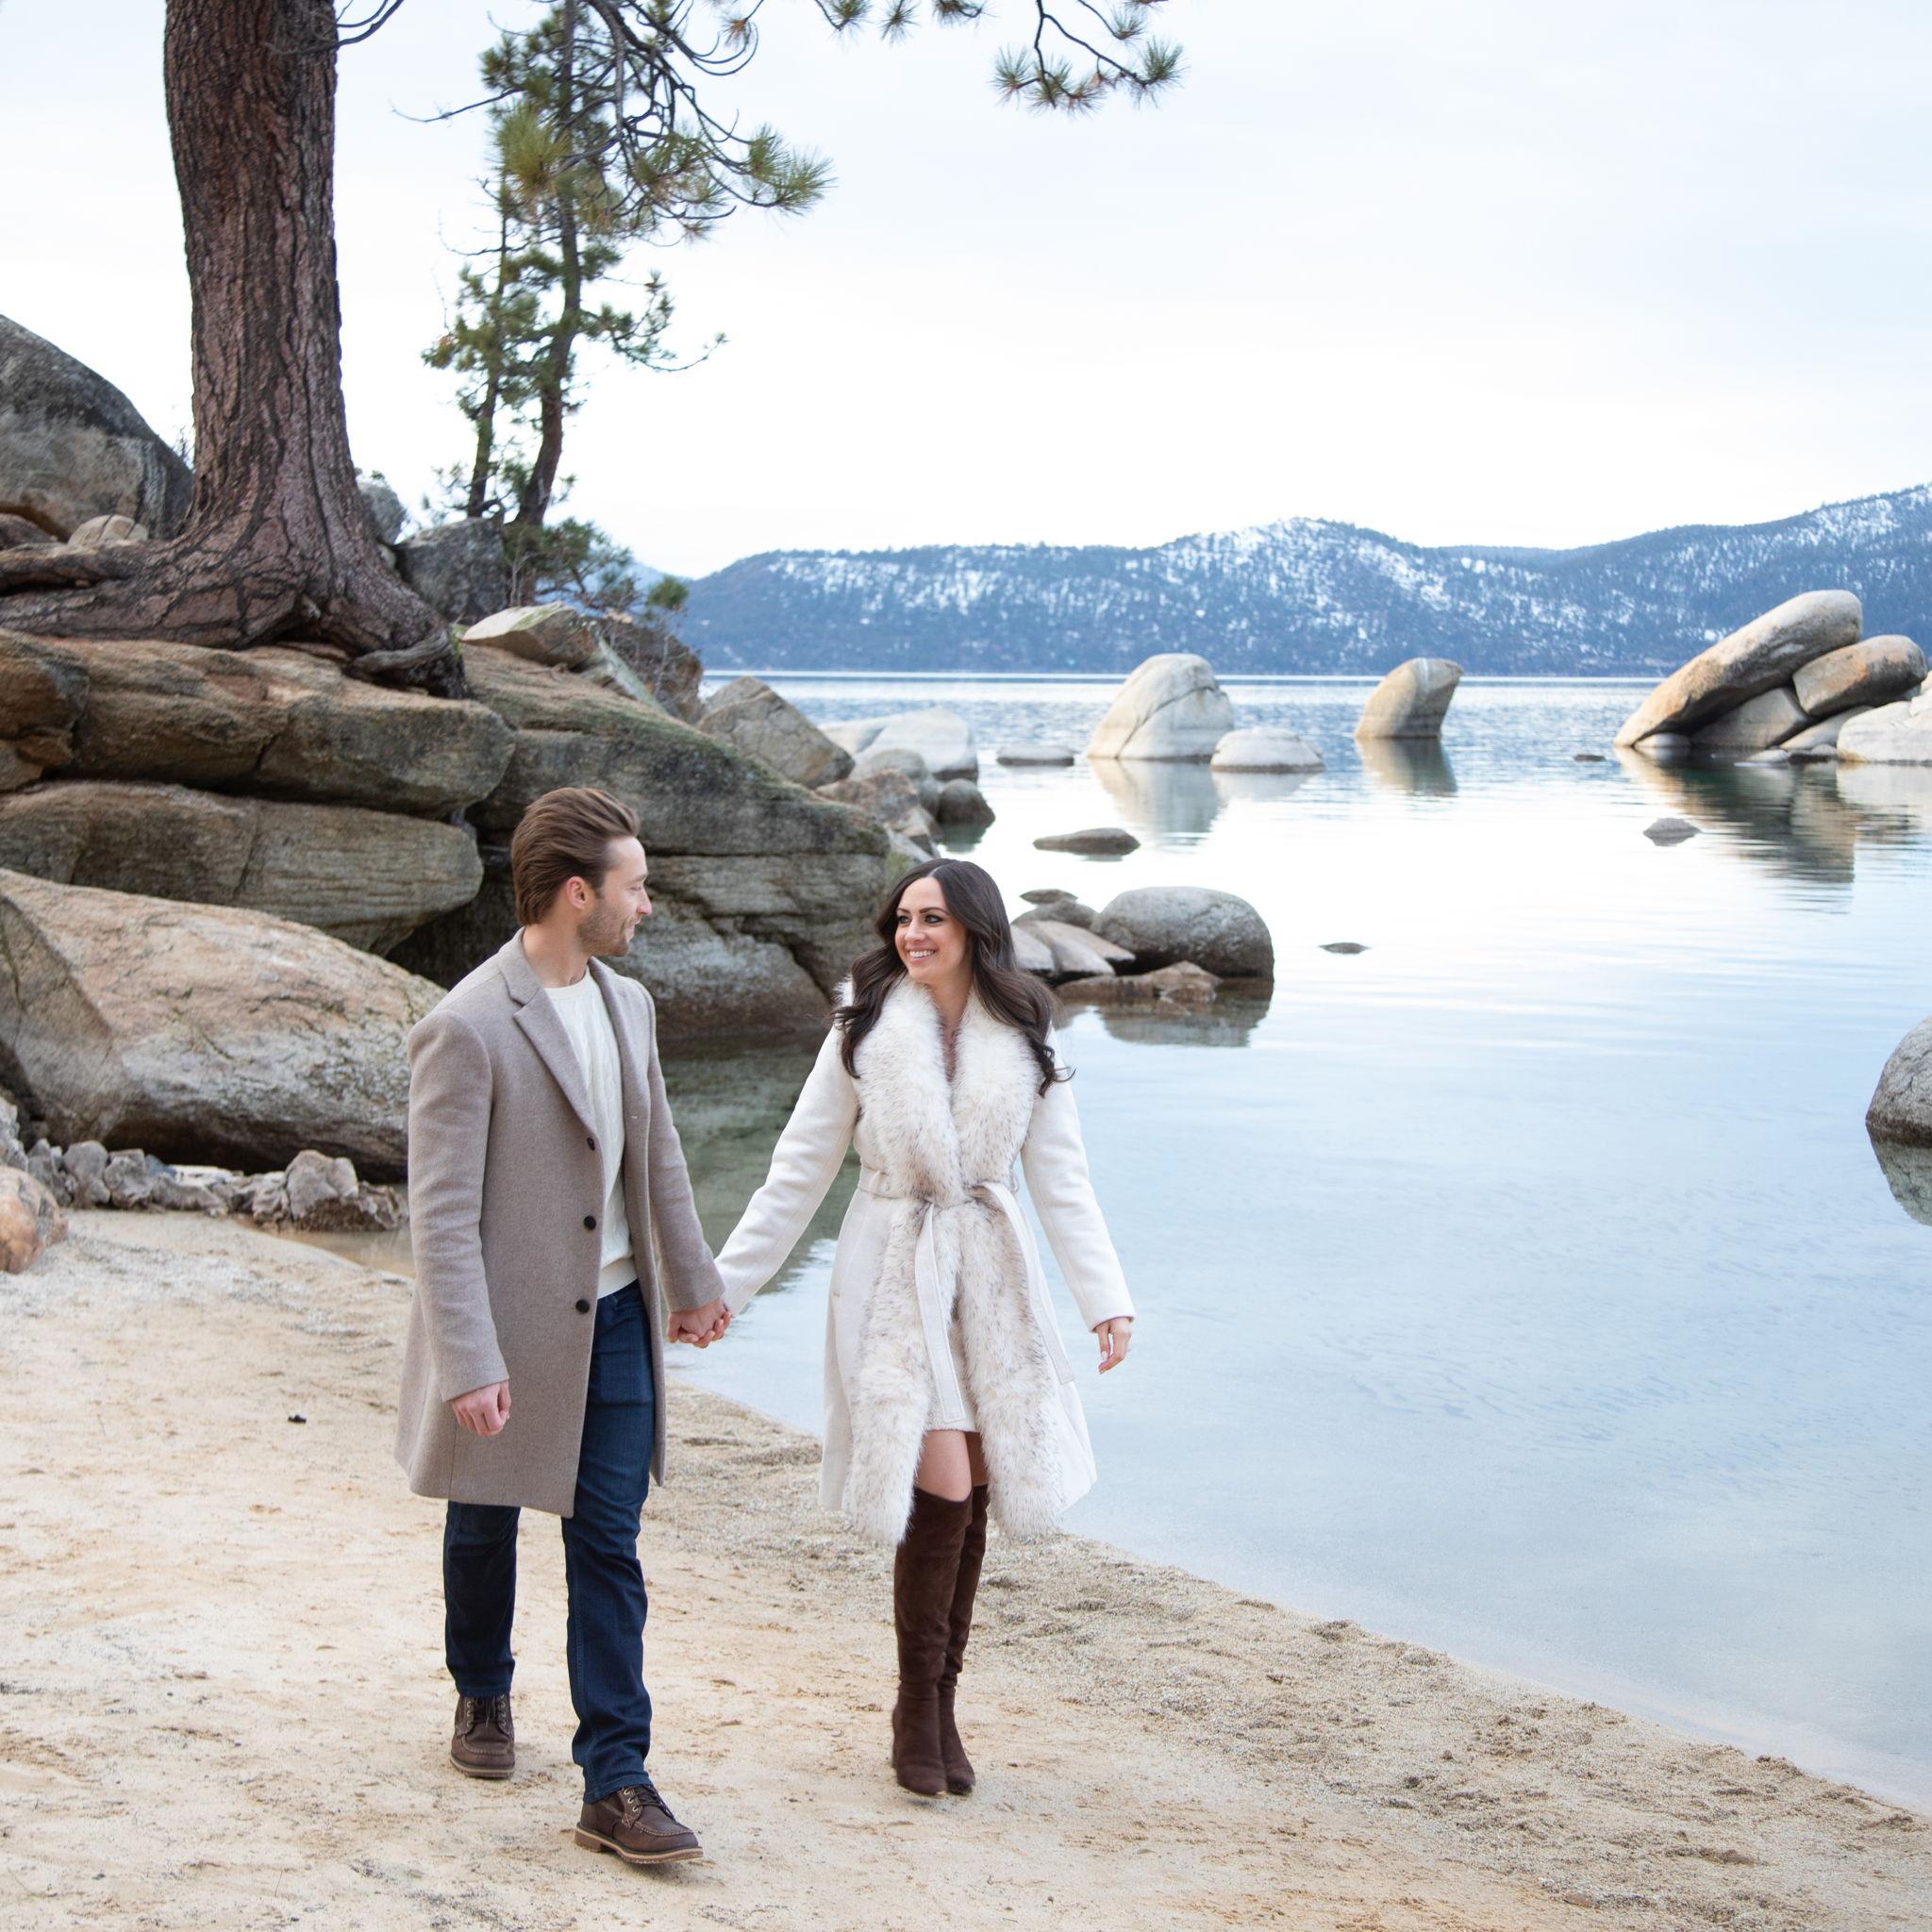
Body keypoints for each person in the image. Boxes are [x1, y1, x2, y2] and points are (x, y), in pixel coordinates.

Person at [711, 858, 1136, 1798]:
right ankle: (914, 1705)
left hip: (990, 1275)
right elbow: (797, 1168)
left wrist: (1105, 1299)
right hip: (890, 1270)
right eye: (903, 918)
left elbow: (1062, 1180)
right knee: (940, 1472)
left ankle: (942, 1702)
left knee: (978, 1476)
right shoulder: (861, 1029)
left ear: (975, 929)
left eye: (932, 918)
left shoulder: (1023, 1032)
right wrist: (726, 1286)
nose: (912, 934)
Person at [393, 786, 732, 1867]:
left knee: (607, 1541)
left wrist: (694, 1279)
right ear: (578, 893)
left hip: (619, 1317)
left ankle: (615, 1780)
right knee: (484, 1517)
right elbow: (440, 1214)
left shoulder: (628, 1005)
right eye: (636, 886)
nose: (647, 904)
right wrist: (468, 1358)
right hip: (507, 1324)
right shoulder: (466, 1024)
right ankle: (481, 1690)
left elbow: (659, 1152)